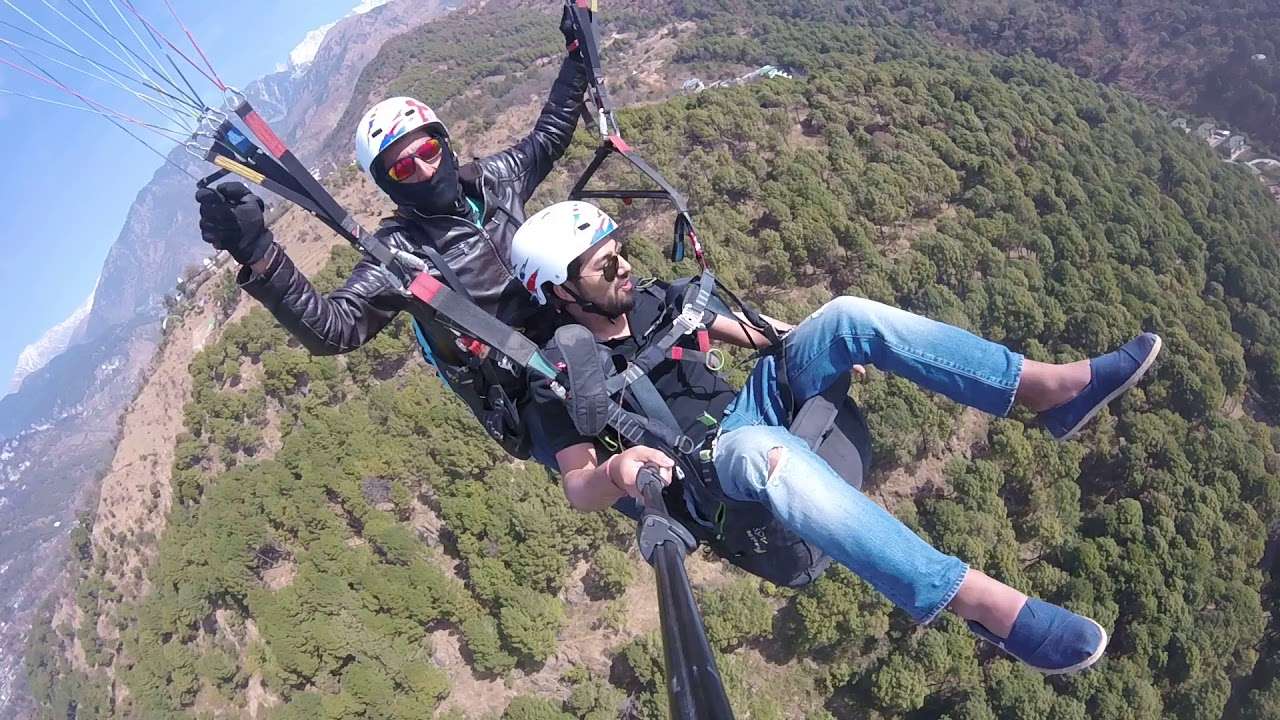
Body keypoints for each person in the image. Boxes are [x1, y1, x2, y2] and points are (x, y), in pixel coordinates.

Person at [511, 201, 1164, 675]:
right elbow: (576, 485)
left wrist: (824, 342)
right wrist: (619, 474)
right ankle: (983, 604)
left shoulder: (658, 300)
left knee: (845, 316)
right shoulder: (559, 380)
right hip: (709, 472)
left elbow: (769, 335)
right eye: (604, 268)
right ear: (562, 292)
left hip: (751, 409)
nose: (623, 268)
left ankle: (1049, 390)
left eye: (619, 253)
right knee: (756, 451)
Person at [191, 10, 588, 463]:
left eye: (428, 150)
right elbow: (335, 329)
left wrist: (577, 55)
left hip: (575, 337)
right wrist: (259, 254)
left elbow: (550, 133)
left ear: (444, 144)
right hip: (527, 393)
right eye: (403, 167)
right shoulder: (401, 252)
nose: (423, 169)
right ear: (389, 183)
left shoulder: (496, 180)